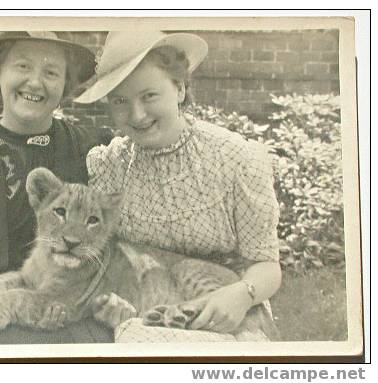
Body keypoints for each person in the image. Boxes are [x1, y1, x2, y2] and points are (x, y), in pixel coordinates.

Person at [75, 31, 282, 341]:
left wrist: (242, 294)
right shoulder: (111, 165)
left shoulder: (236, 159)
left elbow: (266, 265)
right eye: (120, 101)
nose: (137, 115)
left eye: (149, 96)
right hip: (143, 306)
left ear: (180, 88)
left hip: (227, 310)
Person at [0, 31, 113, 345]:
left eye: (51, 72)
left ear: (65, 84)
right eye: (22, 67)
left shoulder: (90, 152)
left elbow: (115, 241)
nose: (35, 82)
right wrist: (22, 303)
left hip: (75, 308)